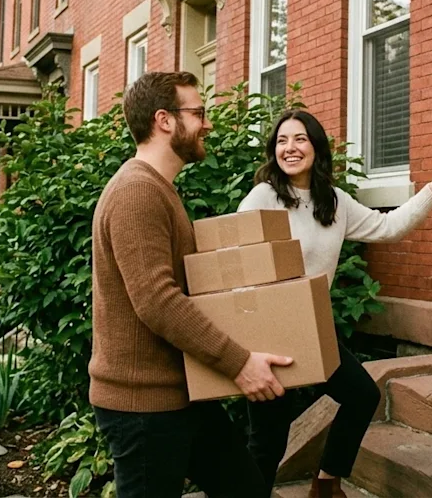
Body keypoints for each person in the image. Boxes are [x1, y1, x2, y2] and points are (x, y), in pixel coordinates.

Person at [239, 109, 432, 498]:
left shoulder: (334, 201)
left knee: (362, 395)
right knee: (268, 441)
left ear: (316, 147)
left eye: (299, 139)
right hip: (272, 330)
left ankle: (326, 481)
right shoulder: (265, 196)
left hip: (313, 326)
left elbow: (388, 227)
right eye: (281, 141)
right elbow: (239, 257)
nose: (290, 148)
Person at [90, 71, 295, 498]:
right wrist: (238, 362)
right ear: (165, 120)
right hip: (143, 406)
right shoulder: (137, 192)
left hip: (179, 396)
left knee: (246, 489)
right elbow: (157, 301)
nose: (207, 124)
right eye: (198, 113)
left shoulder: (158, 189)